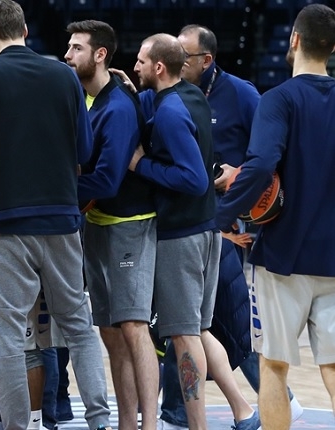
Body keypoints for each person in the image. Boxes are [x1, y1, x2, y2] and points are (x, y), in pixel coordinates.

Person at [0, 1, 111, 429]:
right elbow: (86, 151)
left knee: (9, 336)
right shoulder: (63, 74)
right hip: (60, 218)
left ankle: (18, 426)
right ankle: (98, 420)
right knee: (77, 325)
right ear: (24, 29)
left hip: (3, 222)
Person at [156, 24, 293, 430]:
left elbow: (270, 157)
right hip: (199, 224)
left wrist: (239, 174)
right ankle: (180, 412)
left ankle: (269, 402)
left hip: (228, 225)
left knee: (209, 324)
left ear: (207, 60)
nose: (180, 60)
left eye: (187, 55)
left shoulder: (244, 94)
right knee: (189, 324)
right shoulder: (176, 95)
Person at [216, 4, 335, 429]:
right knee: (333, 367)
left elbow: (262, 164)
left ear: (295, 40)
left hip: (282, 257)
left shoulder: (278, 99)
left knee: (274, 365)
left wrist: (222, 214)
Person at [128, 33, 227, 430]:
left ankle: (198, 426)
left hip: (182, 234)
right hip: (207, 229)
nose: (135, 66)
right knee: (196, 332)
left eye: (140, 61)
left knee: (184, 337)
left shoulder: (169, 112)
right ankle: (234, 410)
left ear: (158, 67)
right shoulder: (191, 94)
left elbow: (194, 178)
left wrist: (141, 165)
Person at [64, 20, 158, 430]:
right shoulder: (87, 99)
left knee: (135, 329)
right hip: (98, 225)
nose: (68, 55)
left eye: (76, 48)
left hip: (129, 227)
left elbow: (106, 179)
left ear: (100, 54)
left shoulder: (118, 107)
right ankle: (125, 422)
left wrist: (54, 185)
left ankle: (149, 423)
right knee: (109, 331)